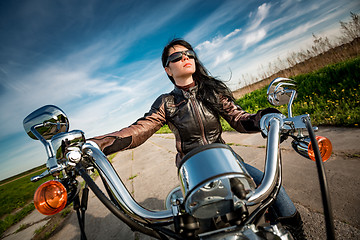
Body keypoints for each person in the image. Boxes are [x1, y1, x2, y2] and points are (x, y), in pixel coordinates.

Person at [89, 38, 305, 239]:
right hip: (194, 171)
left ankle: (296, 231)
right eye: (176, 56)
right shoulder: (166, 102)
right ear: (168, 69)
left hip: (227, 161)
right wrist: (95, 145)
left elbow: (239, 118)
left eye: (189, 54)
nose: (185, 58)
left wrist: (264, 118)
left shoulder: (213, 91)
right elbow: (138, 130)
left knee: (275, 188)